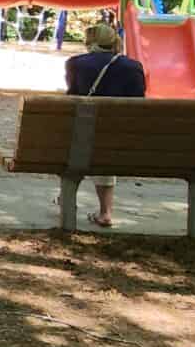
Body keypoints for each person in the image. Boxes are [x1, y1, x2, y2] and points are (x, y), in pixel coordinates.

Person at [61, 17, 146, 229]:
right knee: (105, 138)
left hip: (84, 137)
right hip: (119, 138)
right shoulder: (134, 66)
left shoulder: (75, 63)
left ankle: (67, 200)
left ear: (90, 42)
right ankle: (105, 211)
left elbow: (73, 98)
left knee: (80, 139)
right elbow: (139, 104)